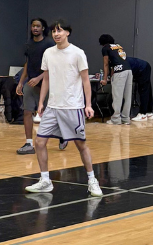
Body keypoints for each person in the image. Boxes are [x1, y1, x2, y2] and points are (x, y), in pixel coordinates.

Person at [25, 23, 103, 197]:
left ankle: (92, 180)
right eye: (53, 31)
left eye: (59, 30)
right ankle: (45, 180)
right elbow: (46, 79)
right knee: (39, 142)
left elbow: (85, 81)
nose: (56, 34)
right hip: (52, 107)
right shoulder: (49, 53)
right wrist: (41, 103)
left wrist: (88, 104)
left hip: (72, 107)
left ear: (68, 32)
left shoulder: (78, 53)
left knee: (81, 145)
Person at [14, 18, 49, 155]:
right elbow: (27, 64)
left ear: (43, 28)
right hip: (31, 83)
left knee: (51, 114)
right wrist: (21, 82)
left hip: (46, 82)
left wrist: (39, 77)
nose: (35, 28)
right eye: (33, 26)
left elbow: (52, 66)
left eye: (38, 26)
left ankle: (61, 136)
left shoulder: (49, 44)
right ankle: (29, 143)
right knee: (27, 112)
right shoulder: (28, 44)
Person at [99, 34, 132, 125]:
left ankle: (116, 119)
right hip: (129, 71)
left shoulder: (105, 48)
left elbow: (106, 64)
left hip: (119, 72)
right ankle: (126, 119)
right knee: (127, 96)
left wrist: (105, 79)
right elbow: (117, 60)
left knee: (117, 97)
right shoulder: (118, 46)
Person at [125, 55, 153, 120]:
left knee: (143, 90)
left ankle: (142, 114)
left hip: (142, 69)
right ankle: (149, 112)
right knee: (148, 89)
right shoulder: (124, 59)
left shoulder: (120, 63)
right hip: (144, 66)